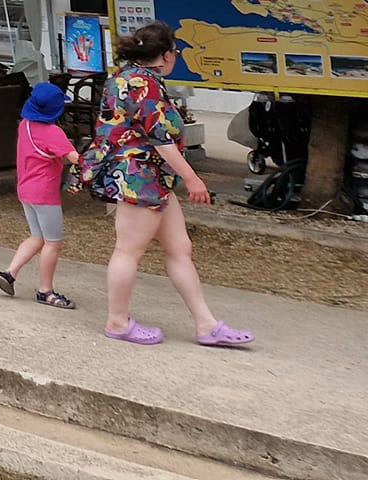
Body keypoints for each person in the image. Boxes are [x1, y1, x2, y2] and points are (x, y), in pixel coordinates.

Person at [80, 22, 253, 348]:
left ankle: (207, 325)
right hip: (140, 177)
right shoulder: (147, 86)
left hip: (145, 178)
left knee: (179, 249)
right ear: (164, 55)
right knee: (129, 251)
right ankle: (117, 322)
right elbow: (160, 139)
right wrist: (192, 178)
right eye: (175, 50)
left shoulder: (120, 78)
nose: (176, 55)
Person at [0, 81, 78, 308]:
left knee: (37, 237)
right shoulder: (53, 132)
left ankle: (9, 273)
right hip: (45, 193)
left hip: (25, 189)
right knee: (53, 243)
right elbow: (74, 158)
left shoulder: (24, 124)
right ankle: (46, 291)